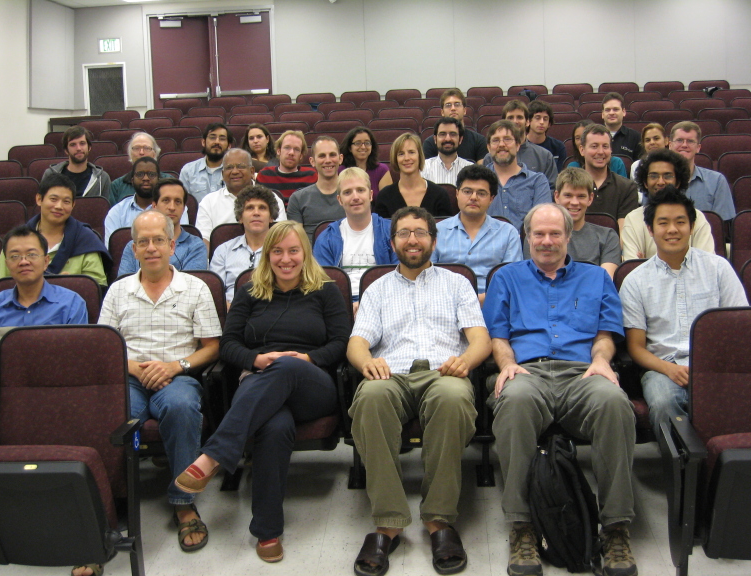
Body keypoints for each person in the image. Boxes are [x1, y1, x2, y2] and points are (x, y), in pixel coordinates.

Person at [175, 221, 349, 564]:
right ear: (267, 255)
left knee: (285, 367)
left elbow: (341, 342)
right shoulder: (250, 292)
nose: (286, 259)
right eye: (277, 251)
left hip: (312, 385)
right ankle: (267, 531)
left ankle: (214, 455)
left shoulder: (325, 291)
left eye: (293, 251)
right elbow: (229, 345)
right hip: (260, 381)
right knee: (274, 426)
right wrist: (256, 359)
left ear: (305, 253)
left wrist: (307, 359)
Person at [483, 202, 637, 576]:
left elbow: (605, 334)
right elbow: (498, 336)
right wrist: (507, 364)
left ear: (569, 236)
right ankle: (522, 527)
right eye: (539, 233)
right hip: (527, 371)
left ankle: (615, 528)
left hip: (582, 372)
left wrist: (601, 360)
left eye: (555, 233)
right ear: (527, 237)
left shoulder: (596, 278)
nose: (547, 241)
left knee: (614, 402)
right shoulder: (506, 278)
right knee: (515, 400)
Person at [348, 206, 491, 576]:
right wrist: (366, 362)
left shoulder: (457, 283)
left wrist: (466, 361)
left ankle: (439, 519)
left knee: (453, 398)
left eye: (420, 232)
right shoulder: (377, 289)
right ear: (392, 242)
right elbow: (357, 342)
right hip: (391, 373)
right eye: (404, 233)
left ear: (433, 240)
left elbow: (480, 339)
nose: (412, 240)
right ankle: (388, 521)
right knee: (369, 398)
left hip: (444, 371)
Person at [99, 210, 221, 556]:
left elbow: (212, 347)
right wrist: (137, 369)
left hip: (177, 376)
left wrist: (174, 366)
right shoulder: (118, 291)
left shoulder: (195, 287)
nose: (151, 247)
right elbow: (103, 347)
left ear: (171, 246)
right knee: (113, 418)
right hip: (129, 377)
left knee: (182, 407)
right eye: (143, 242)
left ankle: (184, 504)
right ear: (134, 249)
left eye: (158, 240)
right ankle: (108, 507)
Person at [620, 186, 747, 441]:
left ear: (692, 226)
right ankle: (679, 464)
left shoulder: (718, 268)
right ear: (650, 229)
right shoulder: (635, 281)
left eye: (680, 222)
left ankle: (727, 459)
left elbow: (740, 328)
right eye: (663, 223)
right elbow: (636, 347)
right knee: (663, 401)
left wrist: (711, 368)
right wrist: (669, 369)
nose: (672, 230)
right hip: (662, 368)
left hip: (717, 366)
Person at [0, 225, 88, 381]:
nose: (23, 262)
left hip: (57, 387)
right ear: (7, 264)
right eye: (15, 256)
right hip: (1, 387)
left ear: (46, 261)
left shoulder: (72, 303)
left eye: (31, 254)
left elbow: (78, 354)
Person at [0, 173, 111, 286]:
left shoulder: (86, 239)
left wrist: (70, 285)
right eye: (53, 199)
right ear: (39, 199)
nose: (59, 206)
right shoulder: (16, 240)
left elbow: (94, 289)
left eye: (66, 201)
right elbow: (0, 285)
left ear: (73, 205)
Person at [432, 164, 522, 302]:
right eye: (467, 191)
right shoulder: (436, 231)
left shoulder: (508, 233)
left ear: (491, 198)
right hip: (444, 303)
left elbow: (512, 281)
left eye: (481, 193)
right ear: (457, 194)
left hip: (493, 304)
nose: (473, 197)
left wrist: (479, 301)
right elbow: (427, 278)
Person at [313, 167, 397, 312]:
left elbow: (400, 276)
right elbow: (323, 284)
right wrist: (346, 305)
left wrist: (368, 305)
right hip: (340, 306)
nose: (355, 197)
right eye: (347, 192)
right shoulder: (326, 238)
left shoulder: (391, 232)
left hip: (386, 303)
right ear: (340, 200)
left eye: (360, 190)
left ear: (371, 195)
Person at [527, 167, 621, 277]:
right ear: (557, 196)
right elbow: (532, 276)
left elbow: (604, 280)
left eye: (581, 196)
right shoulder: (538, 236)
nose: (574, 202)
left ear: (590, 198)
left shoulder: (608, 237)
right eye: (568, 195)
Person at [623, 148, 715, 260]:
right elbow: (633, 266)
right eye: (654, 176)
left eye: (667, 176)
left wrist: (647, 263)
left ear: (678, 182)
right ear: (645, 182)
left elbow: (706, 264)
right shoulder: (633, 219)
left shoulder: (697, 217)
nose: (660, 182)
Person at [195, 148, 285, 249]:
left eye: (240, 166)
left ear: (252, 171)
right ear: (222, 174)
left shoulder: (272, 199)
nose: (235, 171)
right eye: (229, 167)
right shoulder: (208, 202)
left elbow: (280, 237)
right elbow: (204, 241)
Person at [118, 178, 207, 276]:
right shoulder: (134, 246)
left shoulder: (196, 246)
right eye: (166, 200)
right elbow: (124, 283)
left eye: (178, 201)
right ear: (154, 206)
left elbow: (191, 284)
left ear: (183, 208)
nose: (172, 207)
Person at [210, 184, 278, 306]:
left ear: (271, 217)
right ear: (240, 217)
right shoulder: (223, 251)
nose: (256, 213)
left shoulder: (282, 251)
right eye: (250, 208)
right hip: (231, 311)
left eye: (262, 208)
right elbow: (215, 293)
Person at [484, 120, 552, 232]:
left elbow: (543, 222)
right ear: (489, 147)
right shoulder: (478, 181)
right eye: (495, 140)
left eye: (507, 139)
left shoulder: (537, 181)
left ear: (518, 145)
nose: (501, 144)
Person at [104, 156, 187, 246]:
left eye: (151, 174)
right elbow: (113, 248)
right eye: (140, 174)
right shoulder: (117, 212)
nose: (146, 178)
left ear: (159, 179)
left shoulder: (174, 208)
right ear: (132, 180)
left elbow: (182, 241)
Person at [669, 121, 736, 223]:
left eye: (690, 141)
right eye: (679, 140)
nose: (684, 145)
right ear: (670, 145)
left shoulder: (717, 181)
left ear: (698, 148)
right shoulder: (658, 181)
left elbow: (721, 225)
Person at [373, 133, 453, 218]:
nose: (407, 158)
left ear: (419, 156)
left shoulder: (439, 194)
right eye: (401, 154)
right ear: (395, 159)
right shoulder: (384, 196)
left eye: (411, 152)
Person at [483, 100, 558, 190]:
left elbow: (551, 189)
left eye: (519, 117)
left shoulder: (544, 156)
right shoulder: (490, 157)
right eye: (510, 118)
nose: (515, 121)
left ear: (527, 122)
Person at [579, 124, 639, 231]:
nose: (600, 152)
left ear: (611, 150)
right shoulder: (569, 186)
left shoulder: (627, 188)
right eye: (594, 146)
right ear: (582, 150)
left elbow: (624, 231)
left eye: (605, 146)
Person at [288, 136, 346, 241]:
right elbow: (296, 241)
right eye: (322, 156)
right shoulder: (298, 199)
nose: (328, 160)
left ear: (340, 158)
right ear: (312, 161)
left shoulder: (353, 196)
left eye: (332, 155)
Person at [421, 88, 488, 164]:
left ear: (464, 110)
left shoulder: (479, 141)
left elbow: (481, 170)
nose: (453, 108)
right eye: (448, 105)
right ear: (442, 112)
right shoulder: (430, 143)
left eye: (457, 104)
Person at [42, 126, 110, 199]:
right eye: (73, 145)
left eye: (82, 143)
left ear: (89, 147)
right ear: (66, 150)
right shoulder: (50, 175)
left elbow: (107, 205)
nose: (78, 148)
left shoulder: (102, 178)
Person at [179, 122, 234, 202]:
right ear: (203, 142)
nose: (217, 142)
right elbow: (183, 202)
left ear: (229, 146)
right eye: (212, 138)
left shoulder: (235, 172)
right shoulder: (188, 170)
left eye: (222, 139)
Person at [256, 130, 318, 199]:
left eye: (296, 149)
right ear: (278, 151)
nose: (291, 153)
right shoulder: (264, 176)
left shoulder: (311, 176)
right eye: (287, 147)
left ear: (301, 155)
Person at [108, 132, 163, 206]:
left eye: (146, 148)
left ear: (154, 153)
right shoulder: (117, 186)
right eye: (137, 148)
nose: (141, 152)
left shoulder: (169, 181)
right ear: (130, 154)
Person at [339, 126, 392, 195]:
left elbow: (387, 199)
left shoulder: (382, 170)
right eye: (358, 143)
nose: (363, 147)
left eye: (367, 143)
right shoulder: (340, 171)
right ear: (349, 148)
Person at [420, 116, 473, 185]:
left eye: (453, 134)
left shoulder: (471, 169)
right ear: (435, 139)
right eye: (442, 134)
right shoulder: (422, 168)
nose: (447, 139)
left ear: (460, 139)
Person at [629, 123, 670, 196]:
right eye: (647, 140)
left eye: (656, 138)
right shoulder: (636, 166)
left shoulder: (675, 163)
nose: (652, 142)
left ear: (666, 140)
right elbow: (638, 194)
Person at [526, 100, 567, 172]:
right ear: (528, 121)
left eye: (545, 119)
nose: (542, 122)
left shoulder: (558, 147)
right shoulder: (519, 146)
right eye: (537, 118)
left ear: (549, 124)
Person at [602, 92, 642, 161]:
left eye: (615, 109)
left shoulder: (636, 137)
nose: (611, 113)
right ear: (602, 114)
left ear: (623, 112)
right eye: (607, 110)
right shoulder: (593, 136)